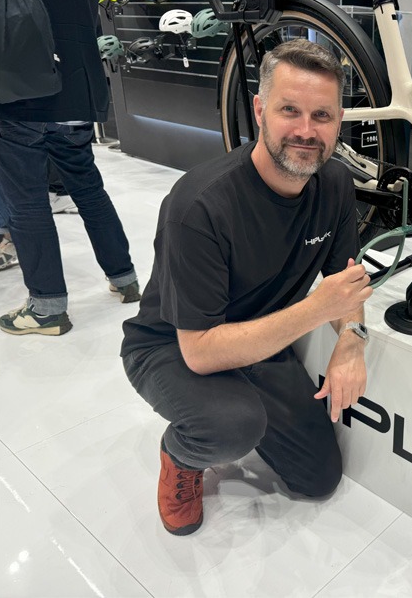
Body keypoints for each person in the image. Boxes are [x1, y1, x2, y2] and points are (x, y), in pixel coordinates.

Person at [120, 39, 372, 536]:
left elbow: (343, 287)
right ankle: (182, 455)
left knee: (317, 478)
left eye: (322, 115)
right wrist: (318, 310)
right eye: (289, 110)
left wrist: (351, 340)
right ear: (260, 109)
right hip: (172, 344)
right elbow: (200, 352)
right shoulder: (200, 205)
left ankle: (238, 410)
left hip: (259, 340)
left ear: (340, 120)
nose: (305, 130)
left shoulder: (337, 185)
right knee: (230, 426)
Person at [0, 0, 140, 336]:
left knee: (27, 202)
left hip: (22, 92)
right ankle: (125, 279)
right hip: (78, 87)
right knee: (89, 189)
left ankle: (47, 307)